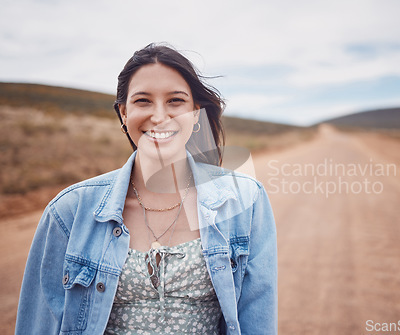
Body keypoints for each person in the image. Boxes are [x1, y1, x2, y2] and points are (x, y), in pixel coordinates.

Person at [15, 43, 278, 335]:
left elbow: (258, 320)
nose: (159, 116)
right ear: (123, 114)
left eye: (175, 101)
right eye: (143, 101)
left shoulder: (245, 200)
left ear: (195, 113)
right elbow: (38, 325)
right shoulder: (69, 211)